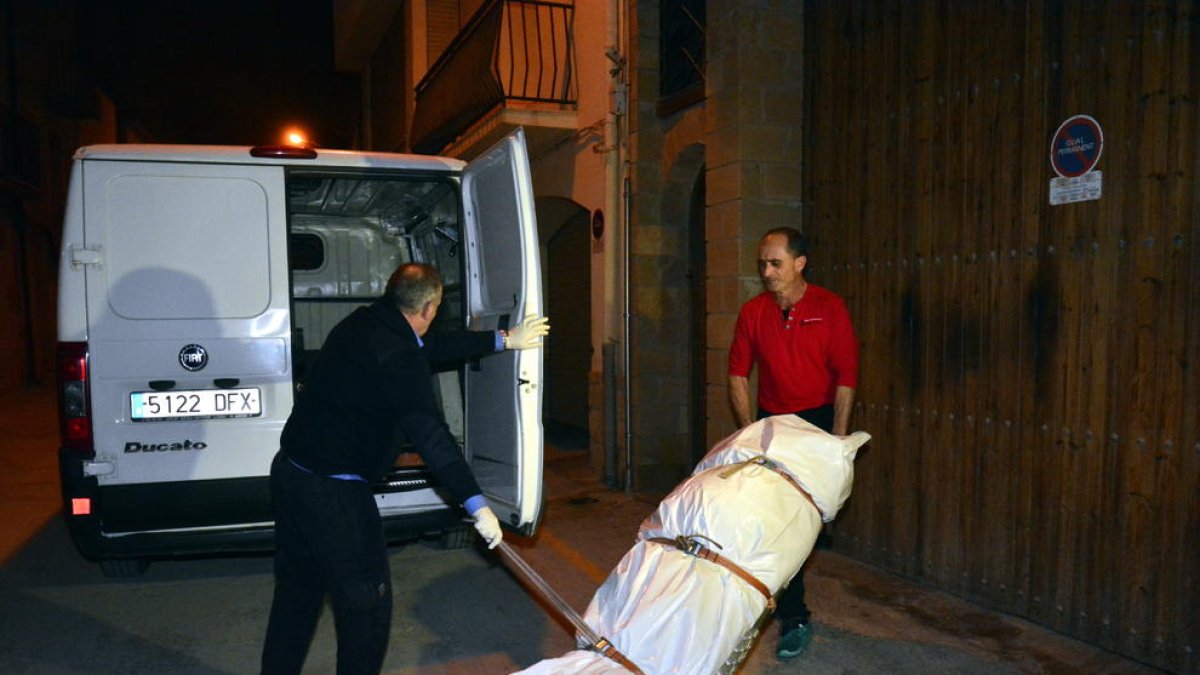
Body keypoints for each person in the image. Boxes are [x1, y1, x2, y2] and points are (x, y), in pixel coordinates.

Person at [261, 262, 549, 675]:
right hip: (333, 494)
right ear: (430, 308)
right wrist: (475, 503)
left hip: (291, 474)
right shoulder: (397, 352)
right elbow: (431, 435)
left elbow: (430, 348)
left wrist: (503, 340)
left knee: (297, 595)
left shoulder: (364, 324)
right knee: (367, 608)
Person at [727, 227, 858, 661]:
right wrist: (749, 433)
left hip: (817, 424)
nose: (766, 271)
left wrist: (837, 441)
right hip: (772, 424)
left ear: (800, 263)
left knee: (802, 526)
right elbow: (737, 373)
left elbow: (847, 377)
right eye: (762, 263)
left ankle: (790, 607)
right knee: (773, 524)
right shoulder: (753, 312)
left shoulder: (829, 307)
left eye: (775, 263)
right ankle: (793, 616)